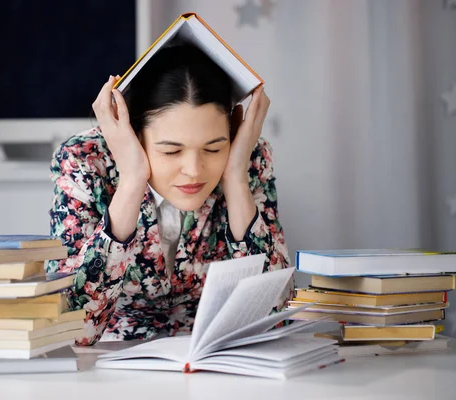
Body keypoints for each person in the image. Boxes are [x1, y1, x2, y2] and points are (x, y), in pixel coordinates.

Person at [47, 44, 293, 345]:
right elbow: (70, 328)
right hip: (109, 361)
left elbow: (277, 311)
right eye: (171, 150)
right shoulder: (85, 162)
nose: (193, 170)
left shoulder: (248, 158)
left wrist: (236, 179)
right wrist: (132, 181)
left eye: (213, 148)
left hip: (218, 358)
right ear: (135, 135)